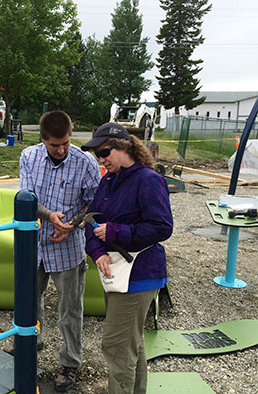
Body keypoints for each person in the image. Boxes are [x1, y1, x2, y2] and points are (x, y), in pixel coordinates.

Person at [81, 122, 173, 394]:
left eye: (105, 152)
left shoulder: (148, 180)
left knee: (116, 344)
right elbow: (91, 220)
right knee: (132, 343)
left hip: (141, 274)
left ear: (123, 147)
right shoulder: (108, 180)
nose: (101, 159)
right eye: (98, 154)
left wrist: (116, 231)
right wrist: (97, 252)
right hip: (118, 273)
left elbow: (162, 227)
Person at [19, 110, 101, 392]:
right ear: (43, 140)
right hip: (34, 244)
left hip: (68, 249)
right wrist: (48, 214)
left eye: (66, 142)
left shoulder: (85, 162)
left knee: (70, 310)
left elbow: (96, 204)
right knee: (29, 299)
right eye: (55, 145)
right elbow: (26, 198)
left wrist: (72, 224)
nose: (62, 149)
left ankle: (70, 362)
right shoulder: (29, 157)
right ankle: (31, 340)